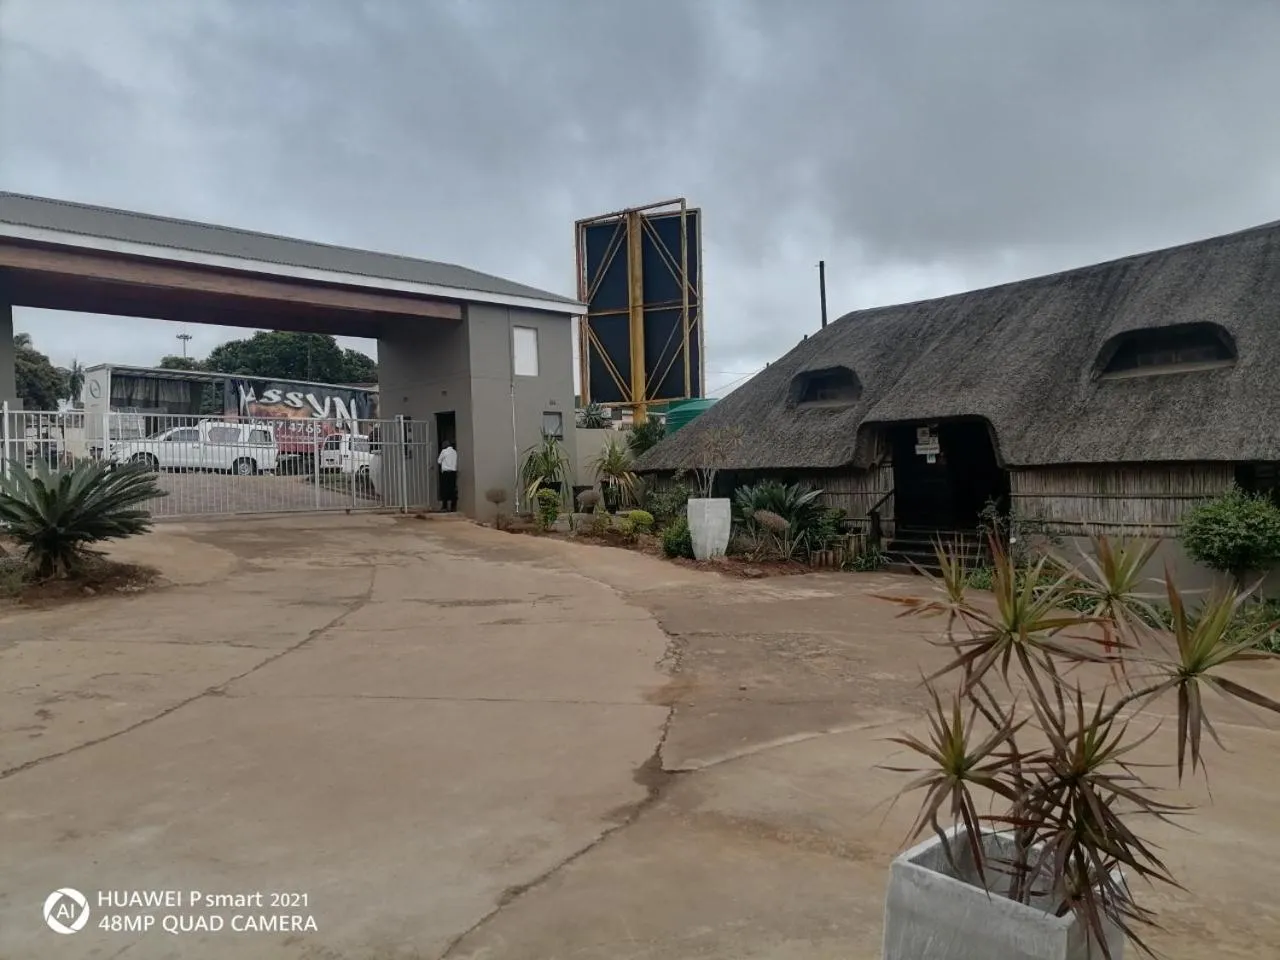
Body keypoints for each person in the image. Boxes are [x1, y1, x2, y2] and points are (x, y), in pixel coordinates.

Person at [437, 440, 458, 512]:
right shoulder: (455, 452)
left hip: (446, 473)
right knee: (452, 489)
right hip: (453, 472)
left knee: (444, 489)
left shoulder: (444, 451)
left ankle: (444, 506)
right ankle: (453, 506)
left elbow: (439, 461)